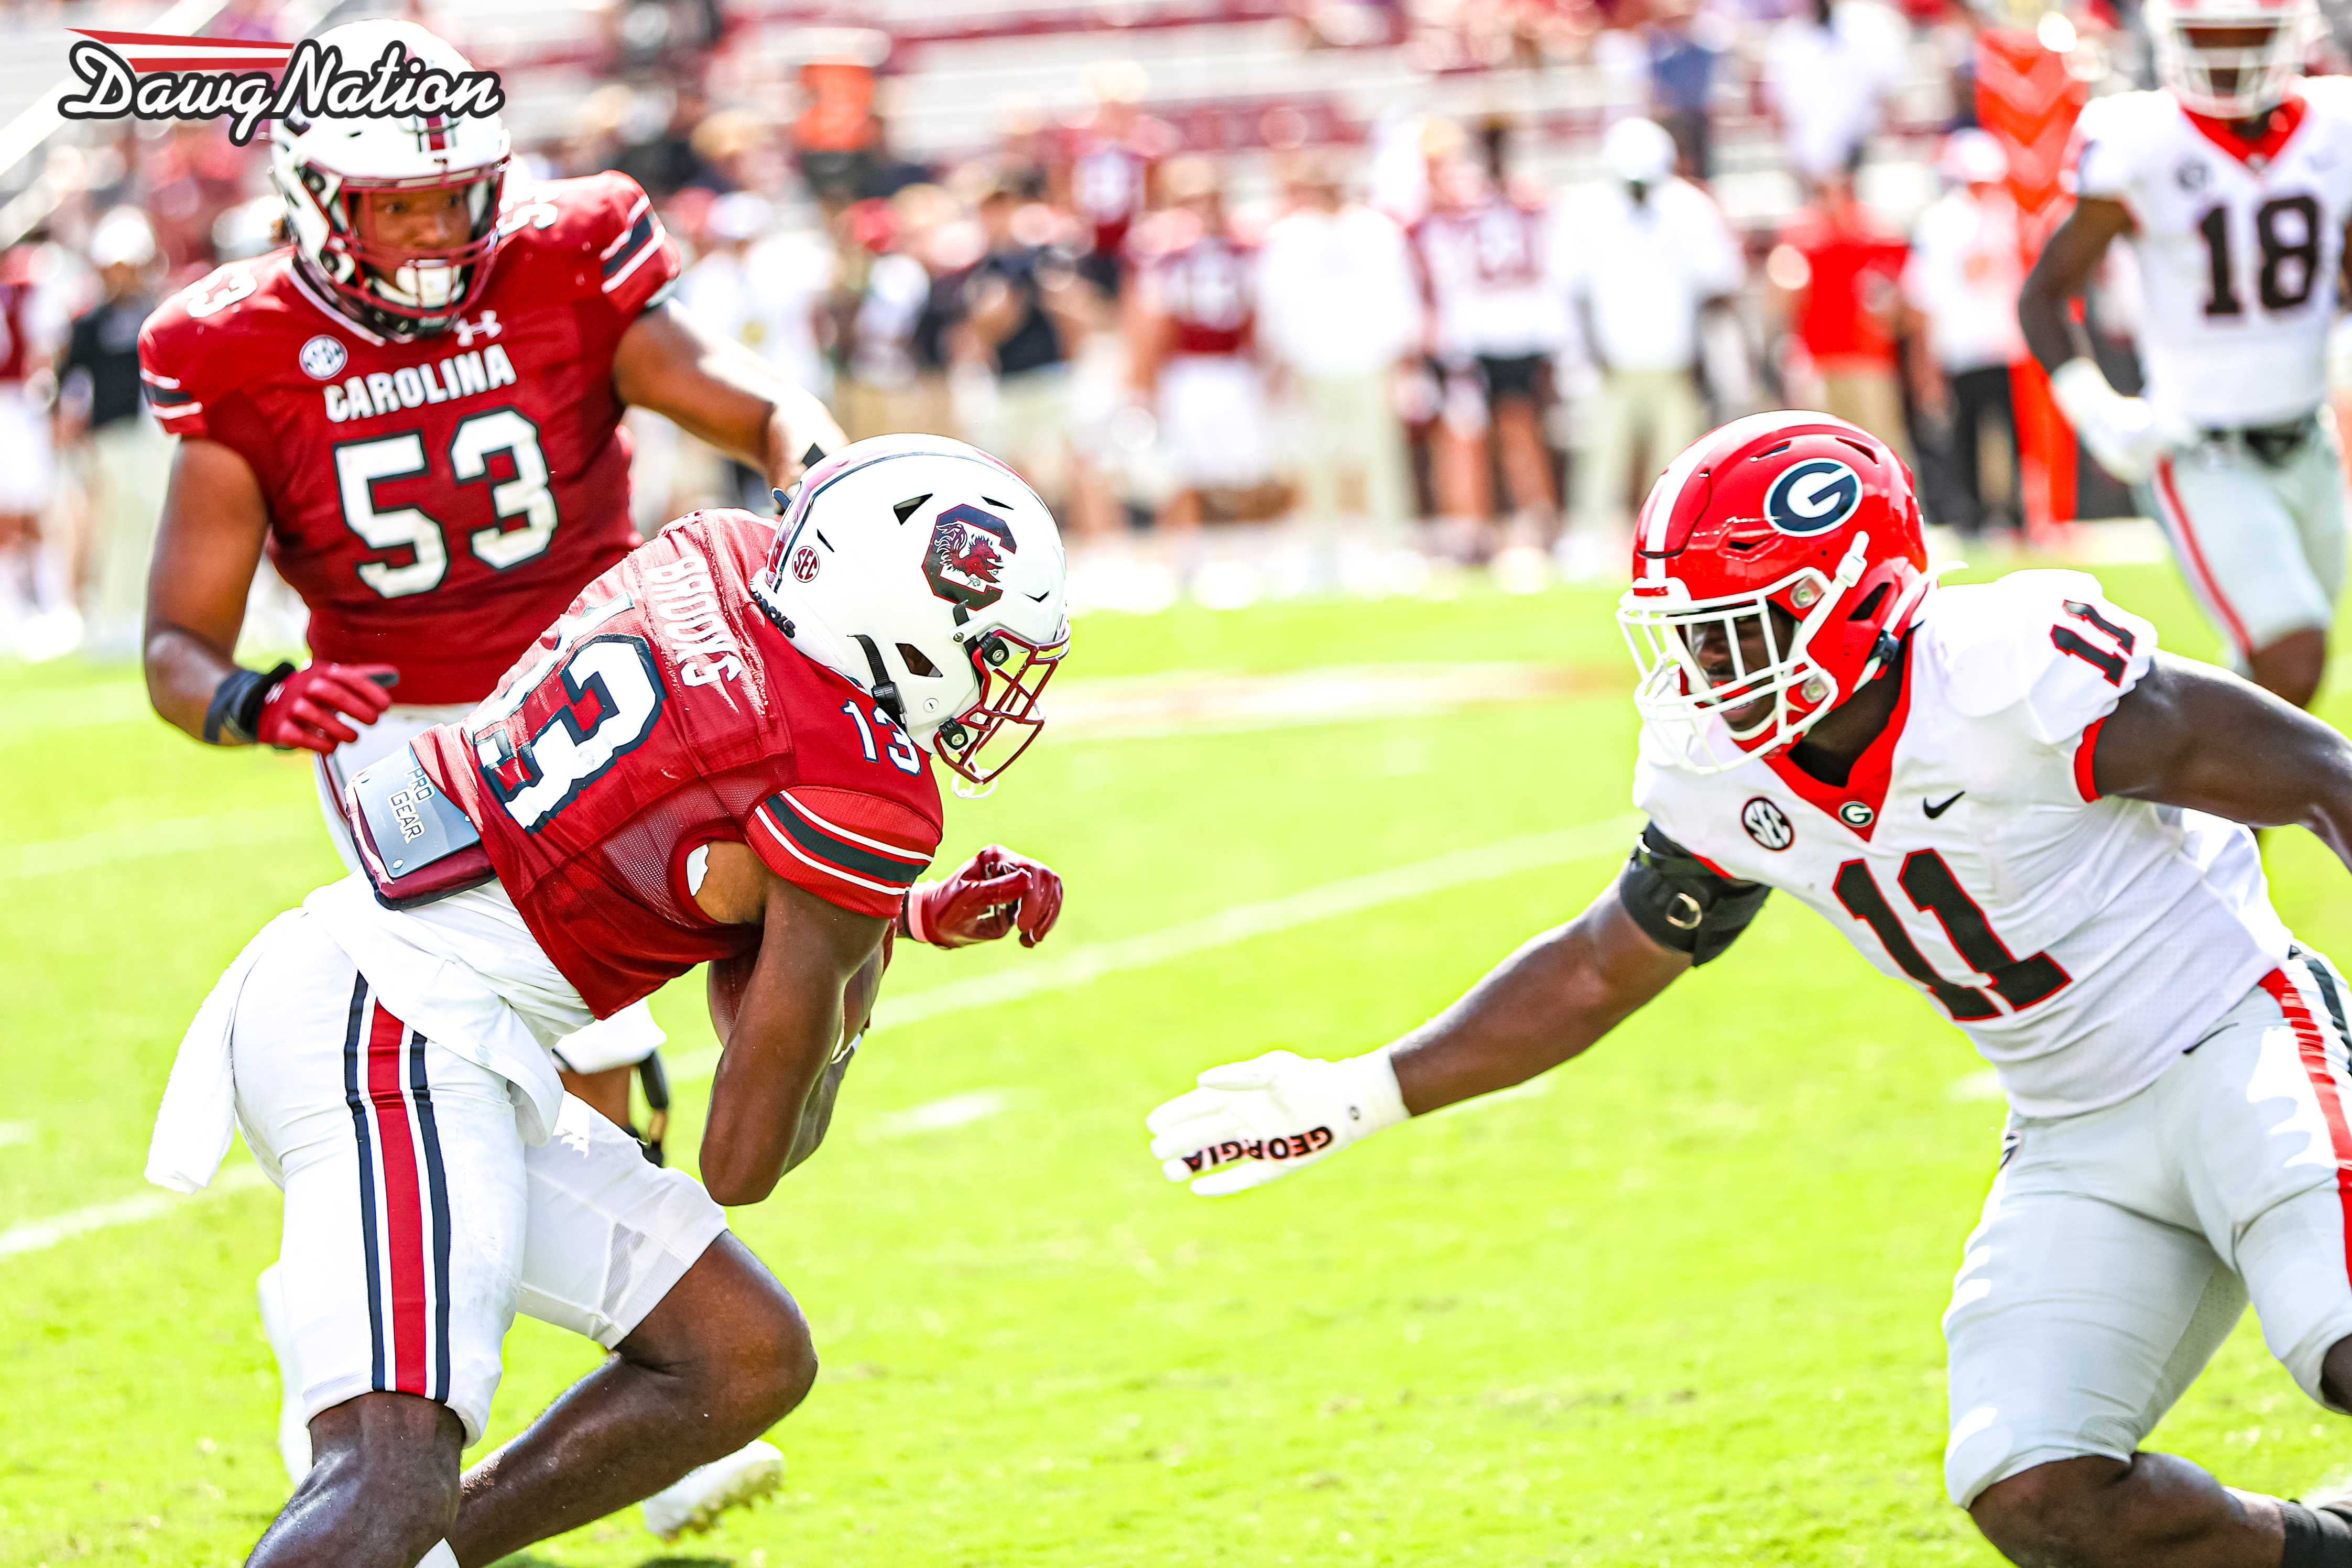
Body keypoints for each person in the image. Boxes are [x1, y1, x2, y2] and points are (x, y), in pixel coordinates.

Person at [1149, 408, 2352, 1568]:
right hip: (2071, 1128)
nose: (1705, 663)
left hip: (2238, 1037)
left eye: (1738, 625)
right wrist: (1361, 1092)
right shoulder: (1722, 770)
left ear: (1862, 599)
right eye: (1692, 629)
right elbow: (1600, 961)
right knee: (2036, 1487)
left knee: (2341, 1339)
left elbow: (2322, 775)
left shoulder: (2006, 682)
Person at [134, 16, 843, 1533]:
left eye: (455, 195)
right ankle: (406, 1402)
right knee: (521, 1031)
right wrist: (261, 699)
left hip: (624, 693)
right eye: (395, 201)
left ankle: (552, 1390)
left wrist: (821, 461)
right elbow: (178, 651)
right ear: (317, 195)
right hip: (412, 738)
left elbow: (737, 395)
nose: (433, 231)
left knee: (586, 1051)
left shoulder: (568, 257)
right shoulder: (236, 341)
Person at [146, 434, 1074, 1568]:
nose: (990, 687)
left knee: (741, 1353)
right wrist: (857, 974)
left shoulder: (720, 554)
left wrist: (900, 913)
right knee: (388, 1477)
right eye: (984, 652)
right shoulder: (853, 781)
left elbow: (687, 840)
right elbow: (746, 1157)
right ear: (905, 622)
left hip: (395, 991)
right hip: (398, 1031)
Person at [2019, 0, 2348, 710]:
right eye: (2208, 36)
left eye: (2246, 36)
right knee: (2292, 650)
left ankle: (2198, 815)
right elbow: (2044, 294)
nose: (2227, 58)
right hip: (2201, 446)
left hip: (2308, 439)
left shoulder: (2337, 128)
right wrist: (2097, 409)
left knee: (2280, 682)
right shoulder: (2141, 139)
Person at [1556, 117, 1745, 579]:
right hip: (1613, 359)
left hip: (1675, 359)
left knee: (1677, 463)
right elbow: (1574, 289)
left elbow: (1720, 285)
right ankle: (1589, 538)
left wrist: (1706, 355)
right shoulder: (1588, 210)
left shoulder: (1690, 209)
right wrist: (1588, 351)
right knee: (1600, 454)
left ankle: (1673, 547)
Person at [1255, 157, 1420, 584]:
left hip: (1369, 359)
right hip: (1314, 363)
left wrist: (1403, 359)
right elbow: (1275, 305)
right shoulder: (1289, 237)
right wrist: (1281, 362)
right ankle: (1323, 549)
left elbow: (1399, 295)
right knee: (1317, 460)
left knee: (1382, 455)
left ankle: (1392, 542)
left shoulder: (1376, 231)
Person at [1408, 154, 1569, 576]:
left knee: (1508, 432)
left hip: (1492, 335)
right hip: (1476, 339)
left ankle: (1530, 523)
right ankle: (1473, 530)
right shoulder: (1443, 224)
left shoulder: (1473, 220)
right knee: (1468, 437)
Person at [1129, 158, 1273, 569]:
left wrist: (1263, 367)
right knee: (1182, 466)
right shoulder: (1164, 254)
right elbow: (1153, 324)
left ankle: (1251, 548)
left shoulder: (1242, 248)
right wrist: (1146, 381)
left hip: (1233, 367)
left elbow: (1257, 313)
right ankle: (1186, 554)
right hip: (1187, 370)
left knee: (1246, 464)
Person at [1903, 129, 2027, 538]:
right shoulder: (1944, 223)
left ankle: (2016, 511)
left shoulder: (2012, 215)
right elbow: (1932, 293)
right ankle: (1974, 513)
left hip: (2008, 347)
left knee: (2014, 436)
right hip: (1966, 349)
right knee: (1969, 435)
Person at [61, 206, 167, 660]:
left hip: (150, 434)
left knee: (149, 521)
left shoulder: (155, 313)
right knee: (115, 524)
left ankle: (140, 611)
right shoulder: (91, 322)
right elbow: (68, 378)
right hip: (108, 435)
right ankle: (109, 613)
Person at [1770, 172, 1912, 459]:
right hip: (1819, 359)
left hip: (1866, 358)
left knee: (1877, 444)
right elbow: (1784, 293)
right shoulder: (1801, 233)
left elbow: (1897, 299)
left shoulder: (1874, 230)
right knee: (1823, 447)